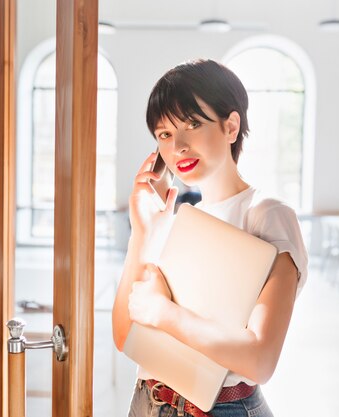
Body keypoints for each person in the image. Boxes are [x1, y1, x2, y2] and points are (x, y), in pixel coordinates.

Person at [112, 59, 308, 417]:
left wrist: (164, 313)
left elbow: (260, 359)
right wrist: (140, 232)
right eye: (165, 134)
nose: (179, 146)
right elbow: (126, 337)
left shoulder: (267, 214)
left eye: (193, 124)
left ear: (231, 126)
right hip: (148, 403)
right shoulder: (172, 219)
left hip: (220, 408)